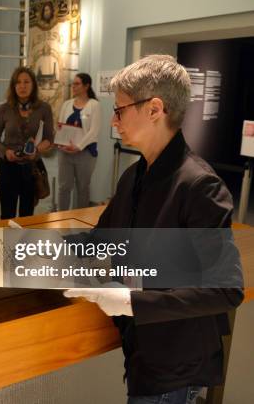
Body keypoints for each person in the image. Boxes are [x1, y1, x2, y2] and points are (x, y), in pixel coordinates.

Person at [64, 55, 244, 404]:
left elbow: (226, 289)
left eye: (119, 110)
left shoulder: (199, 185)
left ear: (154, 109)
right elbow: (102, 241)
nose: (114, 122)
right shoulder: (135, 174)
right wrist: (28, 249)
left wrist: (131, 302)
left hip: (174, 362)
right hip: (144, 353)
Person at [0, 66, 54, 219]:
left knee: (27, 214)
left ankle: (24, 243)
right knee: (7, 214)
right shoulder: (4, 109)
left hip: (31, 168)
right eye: (18, 82)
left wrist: (36, 150)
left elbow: (48, 139)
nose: (22, 86)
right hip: (8, 167)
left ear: (33, 85)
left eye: (26, 82)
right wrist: (5, 152)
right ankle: (7, 243)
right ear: (13, 86)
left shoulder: (43, 108)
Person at [57, 72, 101, 210]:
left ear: (86, 86)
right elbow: (61, 126)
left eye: (77, 84)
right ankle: (60, 219)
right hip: (65, 153)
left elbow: (94, 131)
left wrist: (78, 146)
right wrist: (60, 142)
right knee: (64, 187)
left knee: (82, 187)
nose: (73, 86)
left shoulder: (94, 105)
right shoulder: (66, 104)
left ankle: (81, 220)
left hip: (85, 153)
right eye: (72, 84)